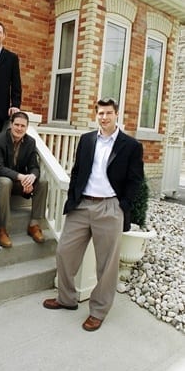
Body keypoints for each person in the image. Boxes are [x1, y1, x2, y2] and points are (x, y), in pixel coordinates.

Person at [43, 98, 144, 331]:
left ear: (116, 114)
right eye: (100, 113)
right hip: (82, 205)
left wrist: (123, 205)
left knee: (107, 265)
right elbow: (77, 170)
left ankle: (98, 311)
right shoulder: (87, 140)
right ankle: (66, 298)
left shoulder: (130, 145)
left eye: (108, 113)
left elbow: (135, 180)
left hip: (110, 207)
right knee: (64, 251)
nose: (104, 117)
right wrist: (72, 199)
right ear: (96, 115)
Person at [0, 111, 48, 248]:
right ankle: (2, 229)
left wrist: (32, 177)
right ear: (11, 124)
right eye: (16, 124)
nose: (19, 128)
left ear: (27, 127)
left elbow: (34, 166)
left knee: (43, 182)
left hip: (19, 182)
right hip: (0, 181)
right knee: (6, 182)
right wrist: (21, 177)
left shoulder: (30, 142)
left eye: (23, 126)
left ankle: (34, 224)